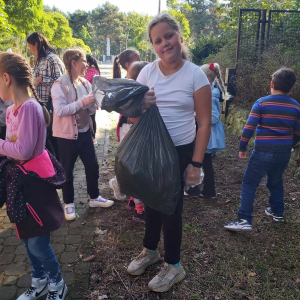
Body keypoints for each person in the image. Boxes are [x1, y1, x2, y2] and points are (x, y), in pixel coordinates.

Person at [126, 13, 212, 292]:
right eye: (158, 40)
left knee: (171, 209)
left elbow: (204, 123)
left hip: (180, 151)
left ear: (180, 36)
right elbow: (131, 118)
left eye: (169, 36)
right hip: (151, 150)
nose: (165, 43)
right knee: (151, 200)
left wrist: (196, 165)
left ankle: (174, 265)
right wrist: (142, 105)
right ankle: (150, 250)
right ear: (153, 46)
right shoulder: (146, 72)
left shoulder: (195, 75)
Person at [0, 52, 67, 300]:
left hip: (35, 184)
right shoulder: (11, 111)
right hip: (19, 182)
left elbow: (24, 150)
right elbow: (13, 145)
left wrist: (5, 145)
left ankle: (57, 283)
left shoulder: (29, 108)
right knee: (26, 238)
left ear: (6, 78)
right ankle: (39, 281)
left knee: (39, 241)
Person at [224, 68, 300, 232]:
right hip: (284, 153)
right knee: (276, 180)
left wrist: (242, 147)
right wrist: (288, 144)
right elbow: (298, 133)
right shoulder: (296, 107)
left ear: (272, 84)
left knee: (250, 182)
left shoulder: (262, 103)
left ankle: (244, 218)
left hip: (262, 152)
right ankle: (277, 212)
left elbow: (249, 127)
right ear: (291, 88)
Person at [51, 49, 114, 221]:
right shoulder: (59, 85)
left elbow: (91, 109)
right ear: (73, 62)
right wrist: (82, 102)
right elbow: (60, 110)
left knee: (92, 166)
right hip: (66, 136)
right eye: (84, 61)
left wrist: (94, 102)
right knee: (67, 170)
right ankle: (69, 203)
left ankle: (94, 198)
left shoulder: (85, 83)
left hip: (85, 132)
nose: (87, 64)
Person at [184, 63, 226, 198]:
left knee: (202, 162)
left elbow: (212, 118)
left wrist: (195, 115)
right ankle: (203, 190)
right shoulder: (211, 91)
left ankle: (199, 189)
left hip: (207, 135)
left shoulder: (211, 94)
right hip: (206, 133)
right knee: (202, 162)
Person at [27, 32, 65, 158]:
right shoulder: (39, 60)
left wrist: (42, 79)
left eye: (30, 46)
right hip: (41, 105)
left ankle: (59, 167)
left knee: (52, 139)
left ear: (36, 44)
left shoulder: (52, 58)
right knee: (45, 139)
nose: (30, 50)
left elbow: (62, 81)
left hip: (52, 105)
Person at [109, 49, 140, 209]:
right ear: (128, 64)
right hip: (129, 125)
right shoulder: (129, 84)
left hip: (129, 124)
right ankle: (120, 184)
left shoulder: (130, 82)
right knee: (132, 162)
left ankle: (132, 198)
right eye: (138, 59)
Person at [84, 54, 101, 145]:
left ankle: (93, 137)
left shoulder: (93, 72)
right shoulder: (87, 71)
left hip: (91, 100)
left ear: (88, 63)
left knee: (91, 118)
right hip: (85, 99)